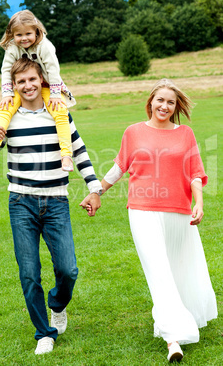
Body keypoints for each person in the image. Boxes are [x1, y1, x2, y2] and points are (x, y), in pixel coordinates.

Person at [81, 78, 217, 362]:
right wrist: (96, 192)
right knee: (158, 271)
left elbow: (195, 172)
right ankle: (173, 339)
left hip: (179, 210)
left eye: (170, 102)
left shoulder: (186, 134)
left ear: (176, 106)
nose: (164, 106)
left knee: (179, 269)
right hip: (142, 210)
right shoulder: (133, 132)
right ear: (150, 102)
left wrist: (199, 203)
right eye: (160, 100)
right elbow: (120, 167)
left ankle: (176, 321)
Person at [0, 58, 102, 355]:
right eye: (21, 82)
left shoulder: (59, 113)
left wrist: (94, 187)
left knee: (68, 269)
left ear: (42, 80)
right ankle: (44, 332)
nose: (28, 86)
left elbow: (80, 152)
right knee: (29, 272)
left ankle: (57, 304)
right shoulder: (7, 116)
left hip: (56, 201)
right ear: (13, 86)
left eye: (32, 80)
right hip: (21, 203)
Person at [0, 9, 75, 172]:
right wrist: (7, 94)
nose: (23, 38)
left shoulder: (45, 46)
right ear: (12, 34)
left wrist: (56, 95)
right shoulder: (12, 48)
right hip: (22, 89)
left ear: (36, 31)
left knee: (60, 112)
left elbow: (53, 70)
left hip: (48, 86)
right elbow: (6, 70)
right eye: (18, 35)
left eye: (28, 33)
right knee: (5, 108)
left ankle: (66, 156)